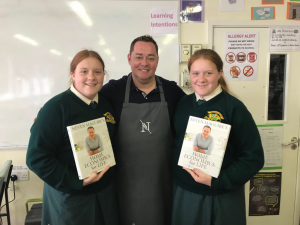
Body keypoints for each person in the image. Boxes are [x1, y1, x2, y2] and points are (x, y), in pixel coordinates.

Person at [100, 35, 186, 225]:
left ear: (157, 60)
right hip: (123, 185)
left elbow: (196, 115)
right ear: (129, 59)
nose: (144, 63)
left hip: (163, 185)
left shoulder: (173, 92)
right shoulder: (112, 91)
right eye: (139, 57)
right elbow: (85, 109)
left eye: (150, 57)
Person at [172, 49, 264, 225]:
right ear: (189, 74)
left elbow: (254, 158)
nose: (201, 79)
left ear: (220, 73)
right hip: (185, 192)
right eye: (195, 73)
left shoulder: (234, 108)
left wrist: (219, 180)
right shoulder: (183, 104)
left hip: (221, 195)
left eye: (208, 73)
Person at [26, 50, 119, 225]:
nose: (91, 77)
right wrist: (76, 181)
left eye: (97, 72)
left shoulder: (105, 105)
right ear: (72, 74)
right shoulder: (55, 108)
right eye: (84, 71)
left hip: (105, 194)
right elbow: (36, 158)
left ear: (103, 75)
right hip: (70, 198)